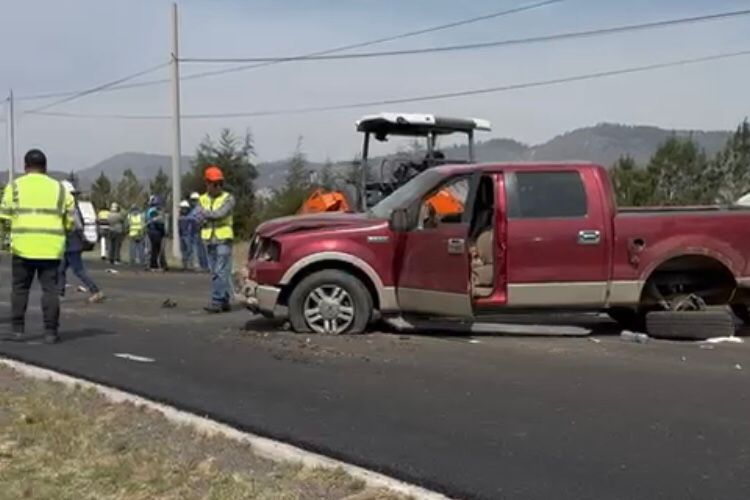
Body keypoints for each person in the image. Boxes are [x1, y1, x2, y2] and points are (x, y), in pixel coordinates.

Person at [0, 149, 75, 344]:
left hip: (22, 247)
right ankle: (50, 332)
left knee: (20, 289)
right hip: (51, 249)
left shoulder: (14, 187)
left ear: (26, 167)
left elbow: (4, 217)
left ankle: (17, 330)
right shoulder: (60, 189)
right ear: (45, 167)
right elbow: (70, 220)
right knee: (50, 291)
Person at [58, 181, 105, 304]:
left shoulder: (71, 208)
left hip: (71, 242)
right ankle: (59, 294)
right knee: (60, 269)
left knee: (78, 270)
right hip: (69, 242)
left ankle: (96, 291)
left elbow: (77, 226)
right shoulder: (72, 207)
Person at [197, 165, 235, 313]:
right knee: (217, 272)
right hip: (209, 240)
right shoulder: (202, 199)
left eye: (220, 183)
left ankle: (216, 301)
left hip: (223, 239)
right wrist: (203, 216)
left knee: (220, 271)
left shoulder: (228, 198)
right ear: (207, 183)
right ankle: (224, 299)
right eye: (214, 183)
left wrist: (204, 214)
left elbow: (220, 214)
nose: (217, 186)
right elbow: (198, 219)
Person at [145, 198, 168, 271]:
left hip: (152, 233)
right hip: (156, 234)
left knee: (154, 250)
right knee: (156, 250)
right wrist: (164, 232)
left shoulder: (150, 212)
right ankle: (154, 265)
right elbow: (160, 225)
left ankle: (152, 264)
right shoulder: (154, 212)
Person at [190, 192, 209, 271]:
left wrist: (199, 224)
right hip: (196, 232)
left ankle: (204, 265)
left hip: (201, 231)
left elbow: (204, 220)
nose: (193, 202)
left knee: (201, 249)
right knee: (199, 249)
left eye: (195, 200)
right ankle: (203, 265)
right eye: (192, 200)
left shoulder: (200, 209)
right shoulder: (194, 210)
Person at [178, 200, 196, 271]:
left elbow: (193, 227)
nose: (182, 209)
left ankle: (190, 265)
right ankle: (185, 265)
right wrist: (179, 235)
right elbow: (179, 227)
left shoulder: (191, 217)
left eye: (184, 208)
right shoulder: (180, 217)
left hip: (188, 236)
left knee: (189, 250)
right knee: (183, 251)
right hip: (182, 236)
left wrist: (192, 235)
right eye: (182, 208)